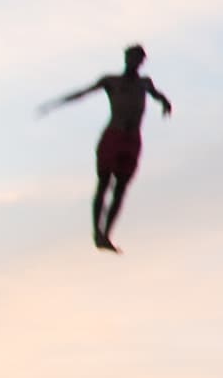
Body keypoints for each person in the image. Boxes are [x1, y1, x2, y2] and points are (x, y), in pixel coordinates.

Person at [39, 44, 172, 251]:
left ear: (142, 62)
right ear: (126, 58)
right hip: (114, 135)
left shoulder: (145, 83)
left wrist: (166, 103)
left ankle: (106, 235)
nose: (135, 61)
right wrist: (55, 104)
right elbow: (82, 93)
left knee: (120, 189)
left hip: (132, 140)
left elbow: (158, 95)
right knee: (104, 184)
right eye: (132, 57)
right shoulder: (111, 81)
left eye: (139, 58)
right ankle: (97, 232)